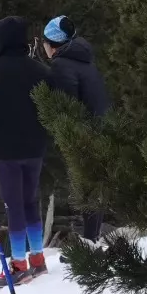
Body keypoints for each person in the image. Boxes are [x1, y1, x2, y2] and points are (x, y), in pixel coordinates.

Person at [0, 16, 52, 286]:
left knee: (13, 204)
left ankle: (18, 264)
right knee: (30, 199)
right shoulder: (41, 71)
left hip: (6, 149)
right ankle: (37, 259)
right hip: (35, 146)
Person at [42, 13, 111, 243]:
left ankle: (91, 241)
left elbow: (66, 104)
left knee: (87, 186)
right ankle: (93, 237)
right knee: (95, 186)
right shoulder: (84, 60)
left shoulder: (62, 65)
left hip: (84, 134)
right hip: (100, 128)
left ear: (51, 44)